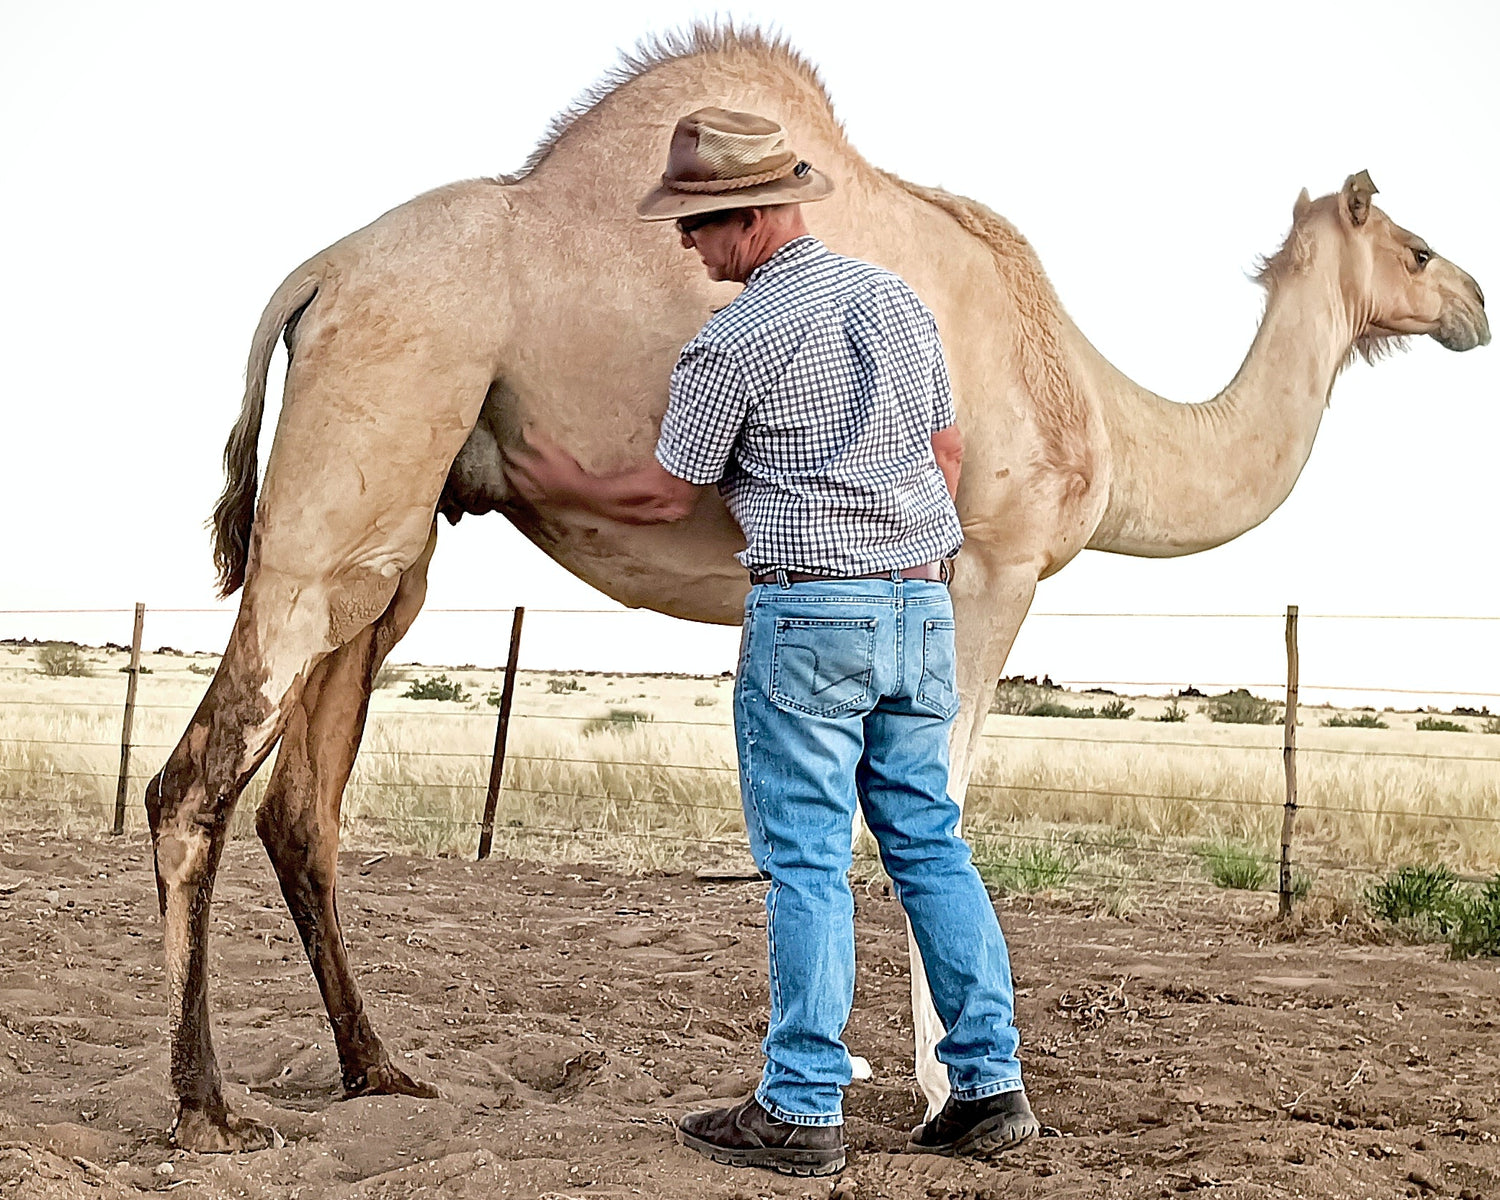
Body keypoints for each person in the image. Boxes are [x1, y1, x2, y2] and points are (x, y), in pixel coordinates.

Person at [505, 107, 1037, 1177]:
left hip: (811, 616)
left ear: (741, 218)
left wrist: (559, 481)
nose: (682, 245)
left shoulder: (733, 342)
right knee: (929, 842)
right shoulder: (900, 305)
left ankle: (800, 1105)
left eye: (692, 226)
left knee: (806, 865)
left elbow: (664, 494)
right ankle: (988, 1087)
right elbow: (946, 450)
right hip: (918, 607)